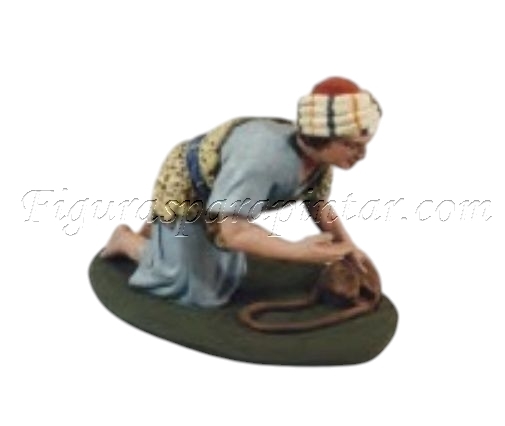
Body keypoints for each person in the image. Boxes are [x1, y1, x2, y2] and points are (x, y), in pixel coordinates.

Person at [100, 76, 382, 307]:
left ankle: (164, 237)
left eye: (364, 145)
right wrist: (296, 251)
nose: (361, 155)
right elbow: (233, 232)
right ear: (323, 137)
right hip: (189, 188)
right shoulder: (263, 160)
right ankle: (127, 241)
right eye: (351, 145)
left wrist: (349, 248)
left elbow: (317, 204)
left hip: (222, 194)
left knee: (230, 275)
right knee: (192, 289)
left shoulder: (319, 161)